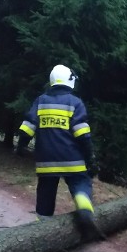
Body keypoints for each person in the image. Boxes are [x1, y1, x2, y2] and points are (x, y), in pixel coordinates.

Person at [16, 64, 102, 237]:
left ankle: (43, 227)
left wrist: (20, 146)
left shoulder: (41, 101)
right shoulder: (75, 103)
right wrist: (90, 159)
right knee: (80, 183)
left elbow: (27, 127)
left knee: (46, 191)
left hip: (46, 161)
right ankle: (84, 207)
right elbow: (82, 134)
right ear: (70, 81)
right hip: (73, 160)